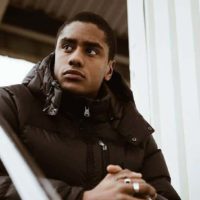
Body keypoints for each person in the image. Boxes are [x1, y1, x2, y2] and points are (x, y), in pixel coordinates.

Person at [0, 12, 181, 200]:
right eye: (67, 47)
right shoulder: (10, 104)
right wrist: (82, 197)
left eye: (91, 51)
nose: (75, 58)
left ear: (109, 69)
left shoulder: (134, 132)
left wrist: (139, 195)